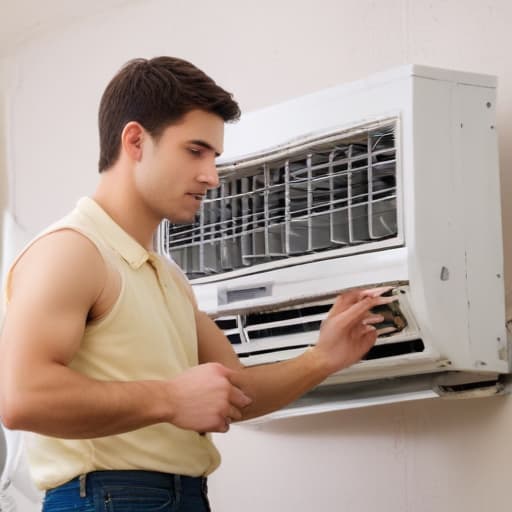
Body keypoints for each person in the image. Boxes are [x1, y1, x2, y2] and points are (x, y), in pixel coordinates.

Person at [0, 56, 396, 512]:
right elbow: (22, 396)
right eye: (195, 151)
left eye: (213, 156)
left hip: (183, 496)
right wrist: (169, 398)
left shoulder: (166, 275)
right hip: (107, 498)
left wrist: (322, 358)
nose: (211, 175)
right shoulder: (72, 250)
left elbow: (237, 394)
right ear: (135, 141)